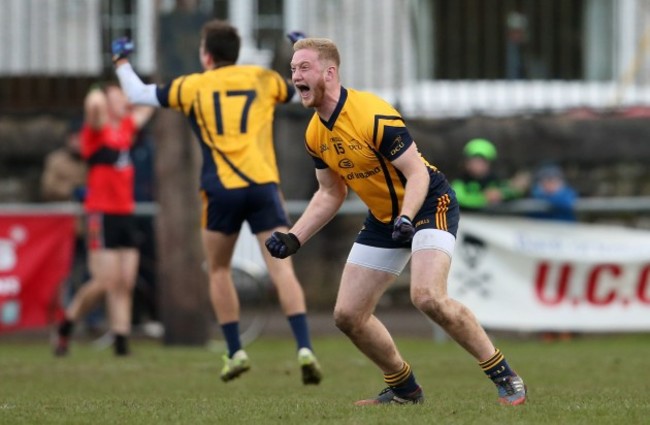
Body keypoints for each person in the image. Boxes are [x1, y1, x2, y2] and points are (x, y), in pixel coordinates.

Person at [265, 37, 527, 406]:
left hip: (429, 204)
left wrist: (407, 216)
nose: (295, 77)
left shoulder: (371, 113)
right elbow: (330, 193)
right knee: (348, 316)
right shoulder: (314, 133)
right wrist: (294, 237)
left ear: (330, 72)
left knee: (427, 297)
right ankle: (405, 389)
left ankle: (504, 374)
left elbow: (417, 175)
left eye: (303, 68)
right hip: (385, 218)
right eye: (293, 69)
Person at [110, 20, 322, 384]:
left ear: (207, 56)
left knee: (220, 269)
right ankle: (305, 348)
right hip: (263, 185)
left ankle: (235, 350)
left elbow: (139, 95)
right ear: (236, 54)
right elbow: (306, 90)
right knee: (281, 269)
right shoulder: (261, 78)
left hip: (221, 189)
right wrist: (302, 47)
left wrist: (121, 62)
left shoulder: (193, 85)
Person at [54, 83, 154, 356]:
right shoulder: (96, 132)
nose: (123, 101)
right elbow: (94, 106)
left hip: (126, 213)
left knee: (125, 281)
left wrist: (133, 95)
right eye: (117, 97)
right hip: (101, 213)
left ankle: (121, 339)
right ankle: (66, 324)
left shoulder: (125, 129)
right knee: (103, 281)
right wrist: (101, 93)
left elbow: (148, 108)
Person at [451, 138, 529, 211]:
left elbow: (511, 190)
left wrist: (502, 194)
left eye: (482, 162)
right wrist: (484, 198)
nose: (478, 166)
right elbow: (459, 198)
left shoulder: (494, 180)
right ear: (467, 163)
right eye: (475, 161)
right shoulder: (461, 181)